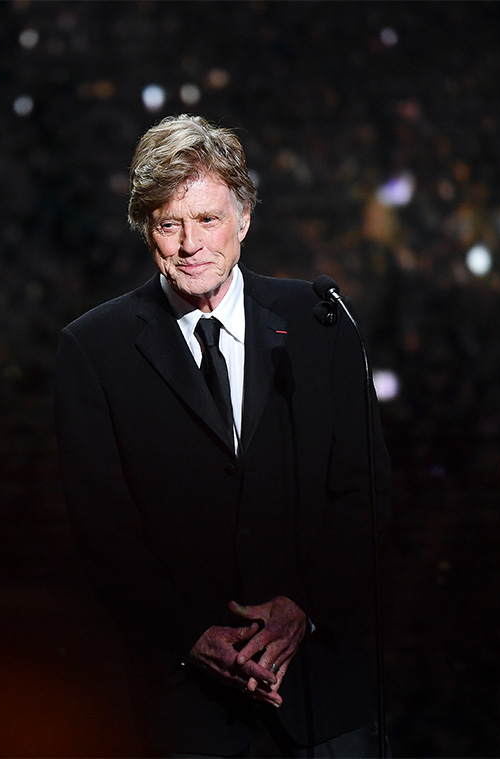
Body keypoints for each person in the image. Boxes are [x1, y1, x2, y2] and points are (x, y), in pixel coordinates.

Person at [55, 114, 391, 757]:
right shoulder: (94, 350)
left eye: (208, 219)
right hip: (189, 710)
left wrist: (303, 608)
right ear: (145, 229)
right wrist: (190, 636)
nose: (190, 244)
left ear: (243, 219)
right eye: (169, 224)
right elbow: (103, 533)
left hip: (323, 690)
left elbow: (364, 493)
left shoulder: (321, 322)